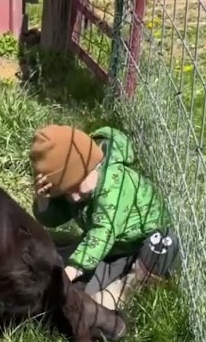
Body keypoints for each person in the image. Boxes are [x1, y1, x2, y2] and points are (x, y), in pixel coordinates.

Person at [29, 124, 179, 312]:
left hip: (138, 246)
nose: (73, 197)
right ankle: (95, 266)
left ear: (89, 167)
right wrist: (44, 201)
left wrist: (69, 273)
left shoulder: (115, 186)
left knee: (97, 303)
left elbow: (102, 233)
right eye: (65, 193)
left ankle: (133, 282)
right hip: (113, 246)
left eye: (75, 187)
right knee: (78, 284)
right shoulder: (79, 187)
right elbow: (56, 218)